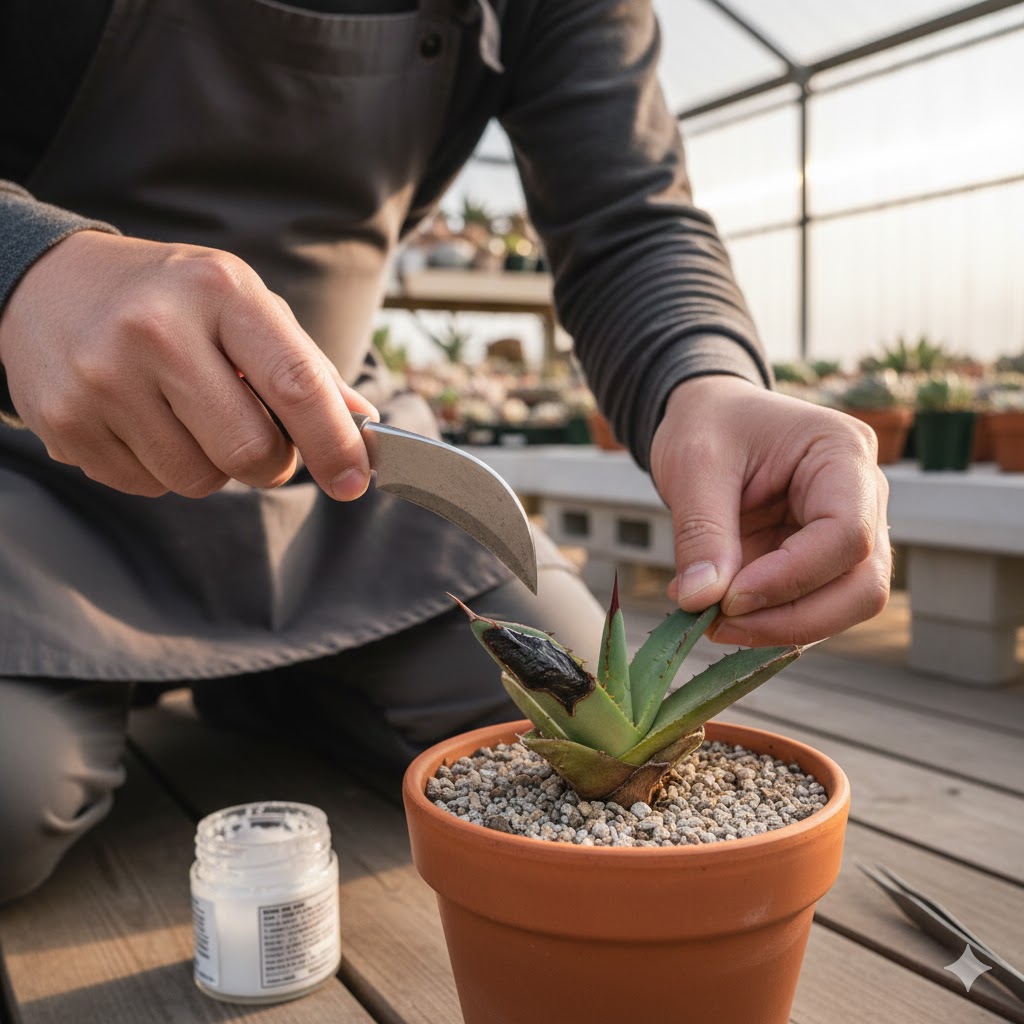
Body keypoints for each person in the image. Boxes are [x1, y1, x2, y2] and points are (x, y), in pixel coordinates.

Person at [0, 0, 891, 904]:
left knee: (584, 728)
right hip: (27, 476)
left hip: (345, 465)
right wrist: (22, 264)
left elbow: (629, 215)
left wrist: (709, 381)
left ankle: (271, 685)